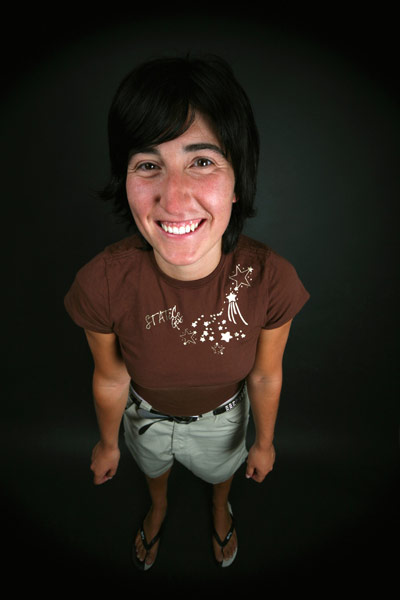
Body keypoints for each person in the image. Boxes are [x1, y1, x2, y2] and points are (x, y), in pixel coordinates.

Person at [64, 54, 310, 571]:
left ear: (238, 180)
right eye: (148, 165)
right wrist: (108, 444)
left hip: (225, 423)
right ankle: (158, 507)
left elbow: (266, 376)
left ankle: (220, 509)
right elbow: (111, 377)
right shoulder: (101, 283)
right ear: (125, 178)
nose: (174, 200)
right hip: (144, 420)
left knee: (220, 477)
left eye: (202, 161)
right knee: (154, 474)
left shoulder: (270, 279)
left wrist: (264, 443)